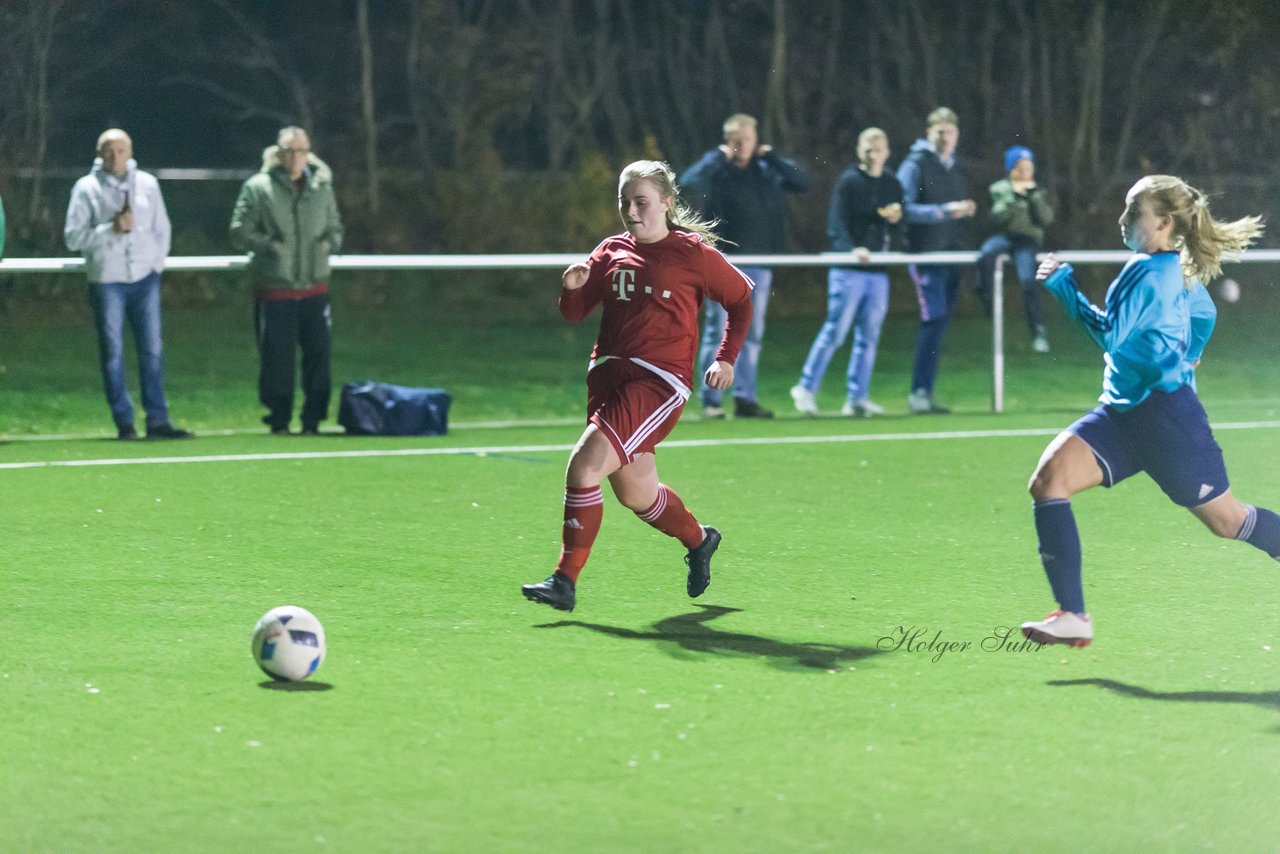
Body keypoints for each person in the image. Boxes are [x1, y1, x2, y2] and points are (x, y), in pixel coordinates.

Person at [1020, 175, 1280, 648]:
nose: (1122, 220)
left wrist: (1064, 288)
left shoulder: (1146, 273)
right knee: (1049, 481)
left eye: (1131, 212)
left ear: (1161, 223)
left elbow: (1107, 337)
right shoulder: (1176, 272)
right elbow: (1203, 314)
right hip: (1123, 414)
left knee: (1229, 522)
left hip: (1168, 422)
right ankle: (1074, 615)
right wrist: (1190, 352)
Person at [522, 160, 755, 612]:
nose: (632, 211)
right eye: (624, 202)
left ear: (667, 203)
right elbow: (574, 314)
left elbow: (742, 302)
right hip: (609, 376)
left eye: (642, 202)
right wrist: (571, 290)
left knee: (583, 467)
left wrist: (726, 358)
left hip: (657, 382)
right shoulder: (610, 250)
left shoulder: (692, 254)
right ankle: (701, 540)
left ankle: (564, 581)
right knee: (636, 493)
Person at [64, 129, 193, 440]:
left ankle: (158, 420)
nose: (115, 157)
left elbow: (162, 227)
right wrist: (110, 229)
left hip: (144, 278)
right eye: (109, 151)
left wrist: (156, 264)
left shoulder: (147, 184)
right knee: (113, 352)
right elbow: (73, 238)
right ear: (99, 154)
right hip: (107, 280)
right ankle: (125, 422)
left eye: (121, 150)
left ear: (131, 152)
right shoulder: (86, 188)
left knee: (152, 350)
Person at [680, 113, 809, 419]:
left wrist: (773, 157)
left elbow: (801, 182)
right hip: (721, 262)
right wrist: (715, 157)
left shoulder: (765, 171)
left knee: (751, 331)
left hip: (760, 262)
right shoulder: (717, 171)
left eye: (748, 140)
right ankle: (712, 400)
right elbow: (687, 183)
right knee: (718, 331)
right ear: (728, 142)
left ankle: (745, 398)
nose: (743, 147)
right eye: (736, 141)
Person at [229, 126, 343, 435]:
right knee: (277, 360)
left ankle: (313, 419)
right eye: (289, 151)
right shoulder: (258, 187)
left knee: (319, 357)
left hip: (315, 288)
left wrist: (327, 246)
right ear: (278, 154)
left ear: (309, 153)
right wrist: (270, 246)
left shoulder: (322, 186)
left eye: (301, 151)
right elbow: (239, 231)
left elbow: (335, 228)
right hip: (275, 289)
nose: (296, 157)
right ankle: (278, 419)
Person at [790, 127, 903, 418]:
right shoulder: (850, 181)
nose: (873, 154)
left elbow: (897, 223)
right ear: (859, 150)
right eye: (868, 148)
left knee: (869, 336)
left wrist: (895, 219)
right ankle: (805, 387)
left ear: (886, 152)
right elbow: (836, 223)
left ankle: (857, 397)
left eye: (878, 149)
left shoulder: (891, 183)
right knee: (836, 331)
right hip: (848, 270)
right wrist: (851, 249)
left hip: (878, 271)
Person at [896, 107, 977, 414]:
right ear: (929, 133)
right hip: (926, 255)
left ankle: (925, 393)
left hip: (951, 255)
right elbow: (903, 208)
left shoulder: (954, 168)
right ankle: (918, 392)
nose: (945, 138)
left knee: (940, 323)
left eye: (950, 132)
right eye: (940, 132)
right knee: (933, 321)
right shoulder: (915, 165)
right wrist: (943, 211)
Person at [977, 145, 1055, 353]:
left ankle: (1037, 329)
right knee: (986, 254)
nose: (1026, 172)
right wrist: (1014, 197)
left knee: (1028, 279)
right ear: (1012, 169)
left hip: (1027, 241)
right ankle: (987, 303)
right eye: (1021, 167)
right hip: (1005, 238)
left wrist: (1034, 198)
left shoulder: (1039, 191)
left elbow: (1046, 219)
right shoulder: (999, 189)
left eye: (1029, 167)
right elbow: (996, 217)